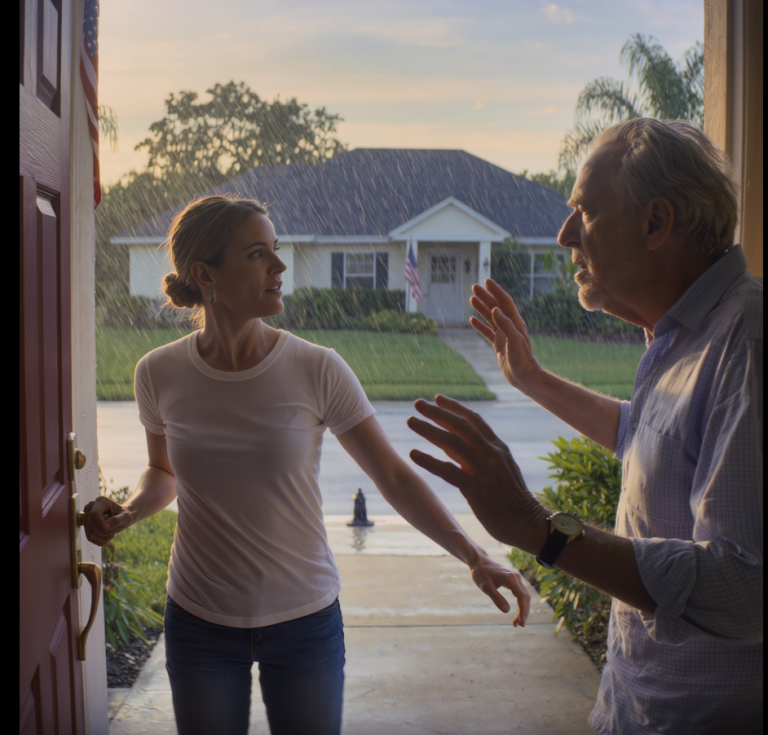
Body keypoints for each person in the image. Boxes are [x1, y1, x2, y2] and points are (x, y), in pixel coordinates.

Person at [83, 194, 530, 735]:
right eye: (257, 254)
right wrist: (130, 511)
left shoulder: (317, 368)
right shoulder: (158, 373)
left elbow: (391, 475)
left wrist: (473, 554)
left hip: (304, 619)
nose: (279, 266)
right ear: (206, 275)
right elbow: (164, 473)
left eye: (275, 250)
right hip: (199, 619)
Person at [407, 119, 762, 734]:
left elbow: (744, 587)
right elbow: (653, 441)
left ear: (655, 223)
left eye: (585, 211)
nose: (566, 233)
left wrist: (537, 527)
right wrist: (533, 380)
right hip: (634, 710)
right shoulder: (687, 333)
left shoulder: (747, 342)